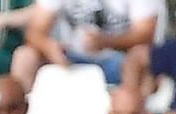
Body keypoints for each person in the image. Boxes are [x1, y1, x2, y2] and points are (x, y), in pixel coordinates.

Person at [13, 0, 161, 86]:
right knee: (25, 56)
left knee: (143, 58)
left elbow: (145, 34)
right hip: (67, 56)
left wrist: (106, 41)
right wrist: (49, 47)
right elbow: (34, 31)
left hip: (120, 59)